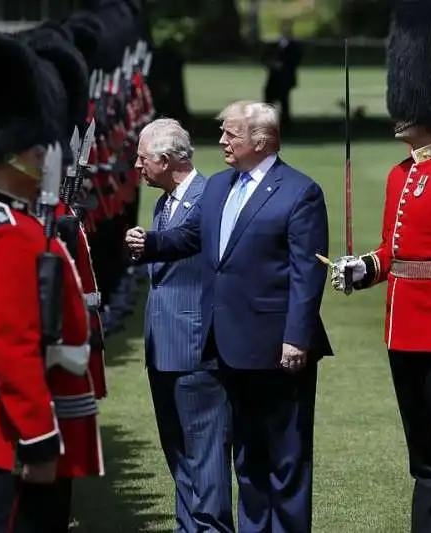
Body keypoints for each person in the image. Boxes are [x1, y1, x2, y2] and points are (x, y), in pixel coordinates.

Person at [125, 100, 332, 533]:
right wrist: (151, 243)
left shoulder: (299, 190)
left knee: (286, 461)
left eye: (230, 134)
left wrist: (297, 338)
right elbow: (188, 237)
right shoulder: (220, 186)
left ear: (260, 140)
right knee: (249, 462)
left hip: (279, 348)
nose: (220, 141)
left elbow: (306, 273)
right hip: (228, 347)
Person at [328, 2, 431, 531]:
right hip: (402, 331)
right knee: (424, 455)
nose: (398, 111)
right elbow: (394, 251)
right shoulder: (403, 176)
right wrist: (364, 268)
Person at [0, 29, 103, 532]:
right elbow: (13, 345)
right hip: (14, 430)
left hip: (31, 416)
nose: (45, 155)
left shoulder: (19, 223)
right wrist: (37, 438)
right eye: (36, 148)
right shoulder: (2, 230)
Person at [135, 118, 233, 533]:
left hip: (196, 348)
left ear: (166, 159)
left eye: (142, 158)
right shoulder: (165, 201)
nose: (137, 166)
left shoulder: (208, 196)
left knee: (205, 454)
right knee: (176, 451)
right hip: (163, 347)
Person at [262, 20, 302, 134]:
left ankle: (286, 127)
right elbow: (266, 57)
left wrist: (283, 65)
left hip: (285, 79)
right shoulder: (275, 44)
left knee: (284, 103)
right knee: (268, 101)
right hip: (273, 78)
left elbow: (295, 60)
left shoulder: (294, 46)